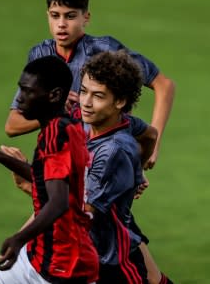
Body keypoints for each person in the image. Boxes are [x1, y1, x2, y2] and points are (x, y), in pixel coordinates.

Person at [4, 0, 176, 171]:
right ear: (47, 15)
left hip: (105, 160)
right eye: (55, 15)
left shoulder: (105, 49)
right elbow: (13, 125)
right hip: (63, 162)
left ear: (86, 17)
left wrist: (153, 147)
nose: (61, 24)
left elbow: (164, 85)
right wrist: (56, 111)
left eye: (70, 16)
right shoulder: (39, 55)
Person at [0, 56, 99, 284]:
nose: (20, 98)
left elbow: (59, 201)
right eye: (20, 89)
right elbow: (46, 180)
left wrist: (18, 239)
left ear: (54, 95)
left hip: (63, 267)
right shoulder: (65, 127)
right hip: (39, 256)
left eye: (28, 91)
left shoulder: (56, 135)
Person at [79, 50, 174, 284]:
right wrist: (138, 172)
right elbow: (151, 135)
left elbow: (82, 211)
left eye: (98, 96)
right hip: (104, 246)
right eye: (84, 91)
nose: (86, 103)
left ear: (120, 101)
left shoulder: (113, 151)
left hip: (111, 261)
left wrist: (26, 180)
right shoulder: (124, 122)